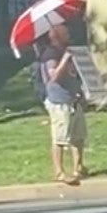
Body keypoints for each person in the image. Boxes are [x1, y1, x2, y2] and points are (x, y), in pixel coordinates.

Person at [36, 25, 86, 184]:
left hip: (73, 98)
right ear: (56, 36)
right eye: (65, 33)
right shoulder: (50, 54)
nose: (68, 35)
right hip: (59, 101)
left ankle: (78, 168)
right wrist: (64, 59)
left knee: (78, 137)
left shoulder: (65, 50)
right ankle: (59, 172)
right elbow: (54, 76)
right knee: (60, 138)